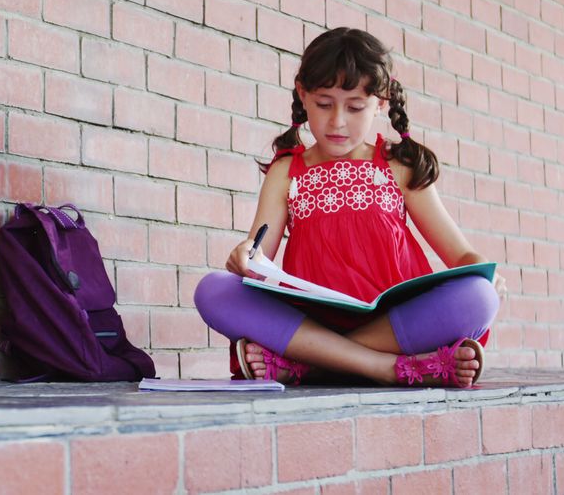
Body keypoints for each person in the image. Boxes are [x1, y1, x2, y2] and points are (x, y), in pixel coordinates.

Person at [194, 27, 504, 388]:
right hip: (311, 321)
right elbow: (259, 260)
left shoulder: (398, 164)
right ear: (302, 94)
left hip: (394, 322)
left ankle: (310, 365)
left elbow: (459, 253)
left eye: (355, 107)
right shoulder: (285, 171)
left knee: (479, 297)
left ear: (382, 102)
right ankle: (391, 368)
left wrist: (487, 274)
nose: (337, 121)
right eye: (324, 104)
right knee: (214, 290)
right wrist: (246, 257)